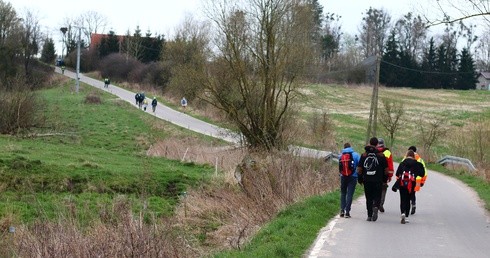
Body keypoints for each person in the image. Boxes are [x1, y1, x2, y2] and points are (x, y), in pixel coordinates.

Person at [357, 137, 388, 222]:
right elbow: (386, 170)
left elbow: (359, 169)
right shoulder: (381, 155)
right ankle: (375, 207)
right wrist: (384, 180)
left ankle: (369, 215)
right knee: (377, 196)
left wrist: (360, 180)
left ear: (369, 143)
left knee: (368, 197)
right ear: (377, 144)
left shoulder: (364, 155)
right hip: (378, 180)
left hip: (367, 180)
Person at [393, 150, 425, 224]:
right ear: (414, 156)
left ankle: (402, 213)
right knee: (408, 199)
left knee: (402, 199)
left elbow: (397, 174)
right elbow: (422, 174)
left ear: (407, 155)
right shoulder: (418, 164)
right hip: (412, 184)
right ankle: (407, 216)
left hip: (402, 183)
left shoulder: (402, 163)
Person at [339, 143, 360, 218]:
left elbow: (340, 167)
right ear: (350, 147)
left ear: (344, 147)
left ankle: (342, 210)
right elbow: (360, 164)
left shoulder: (341, 155)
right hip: (353, 177)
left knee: (343, 193)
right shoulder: (356, 155)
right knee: (350, 194)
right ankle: (347, 212)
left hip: (343, 176)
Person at [405, 145, 427, 215]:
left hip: (408, 179)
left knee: (407, 193)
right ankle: (413, 204)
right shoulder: (420, 160)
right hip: (417, 180)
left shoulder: (405, 158)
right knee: (413, 193)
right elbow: (425, 172)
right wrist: (422, 181)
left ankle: (407, 207)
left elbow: (401, 169)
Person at [376, 138, 394, 213]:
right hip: (384, 174)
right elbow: (390, 165)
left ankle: (374, 203)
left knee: (375, 189)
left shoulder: (374, 151)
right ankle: (381, 203)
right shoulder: (387, 152)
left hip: (375, 174)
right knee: (383, 189)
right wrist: (390, 175)